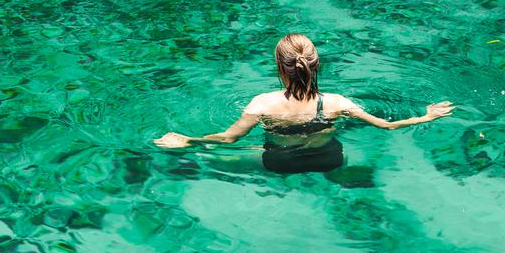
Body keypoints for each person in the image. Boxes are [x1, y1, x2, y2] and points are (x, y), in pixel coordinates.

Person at [153, 33, 455, 174]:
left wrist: (188, 140)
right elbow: (389, 126)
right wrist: (427, 116)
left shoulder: (262, 104)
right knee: (342, 159)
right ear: (316, 64)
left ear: (279, 67)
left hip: (279, 162)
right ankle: (345, 180)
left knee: (215, 159)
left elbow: (228, 138)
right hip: (331, 159)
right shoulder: (336, 102)